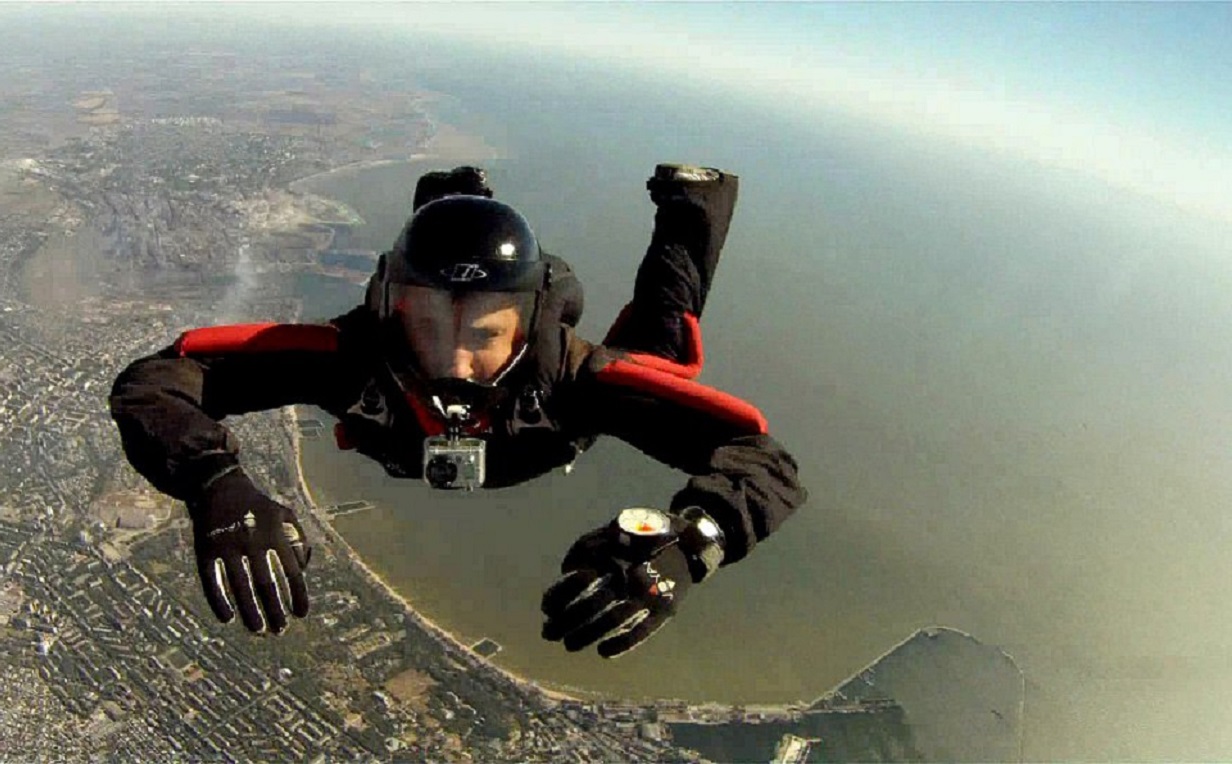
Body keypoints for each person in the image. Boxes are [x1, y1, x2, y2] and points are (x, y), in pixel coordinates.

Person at [109, 164, 807, 658]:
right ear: (390, 311)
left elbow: (765, 462)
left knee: (663, 345)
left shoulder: (571, 375)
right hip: (528, 431)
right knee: (457, 242)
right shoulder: (354, 353)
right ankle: (450, 202)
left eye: (484, 334)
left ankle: (696, 201)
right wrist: (213, 482)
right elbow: (156, 383)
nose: (453, 364)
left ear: (527, 329)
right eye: (427, 327)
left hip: (562, 415)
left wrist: (691, 544)